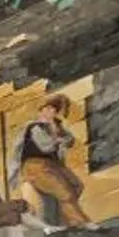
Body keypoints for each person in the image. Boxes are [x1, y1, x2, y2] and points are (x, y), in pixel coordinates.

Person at [9, 95, 91, 227]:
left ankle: (58, 223)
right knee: (64, 192)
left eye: (53, 110)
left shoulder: (56, 126)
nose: (50, 112)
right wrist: (57, 137)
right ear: (41, 111)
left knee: (76, 186)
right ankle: (81, 222)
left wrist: (56, 129)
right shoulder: (35, 127)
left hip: (54, 165)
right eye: (47, 109)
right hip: (35, 166)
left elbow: (69, 141)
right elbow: (45, 146)